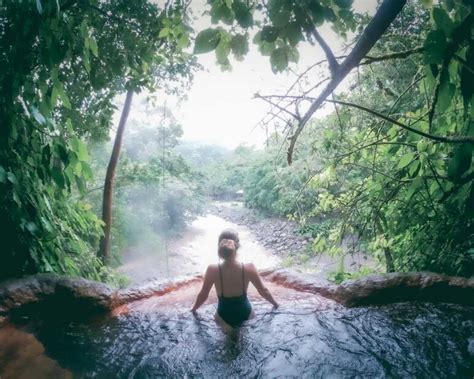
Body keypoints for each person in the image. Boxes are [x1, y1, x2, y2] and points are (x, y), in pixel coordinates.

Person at [191, 229, 279, 330]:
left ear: (219, 246)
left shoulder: (212, 269)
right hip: (246, 312)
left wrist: (193, 309)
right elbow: (263, 291)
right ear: (238, 246)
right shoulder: (249, 268)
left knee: (228, 343)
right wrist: (276, 304)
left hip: (223, 315)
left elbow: (203, 294)